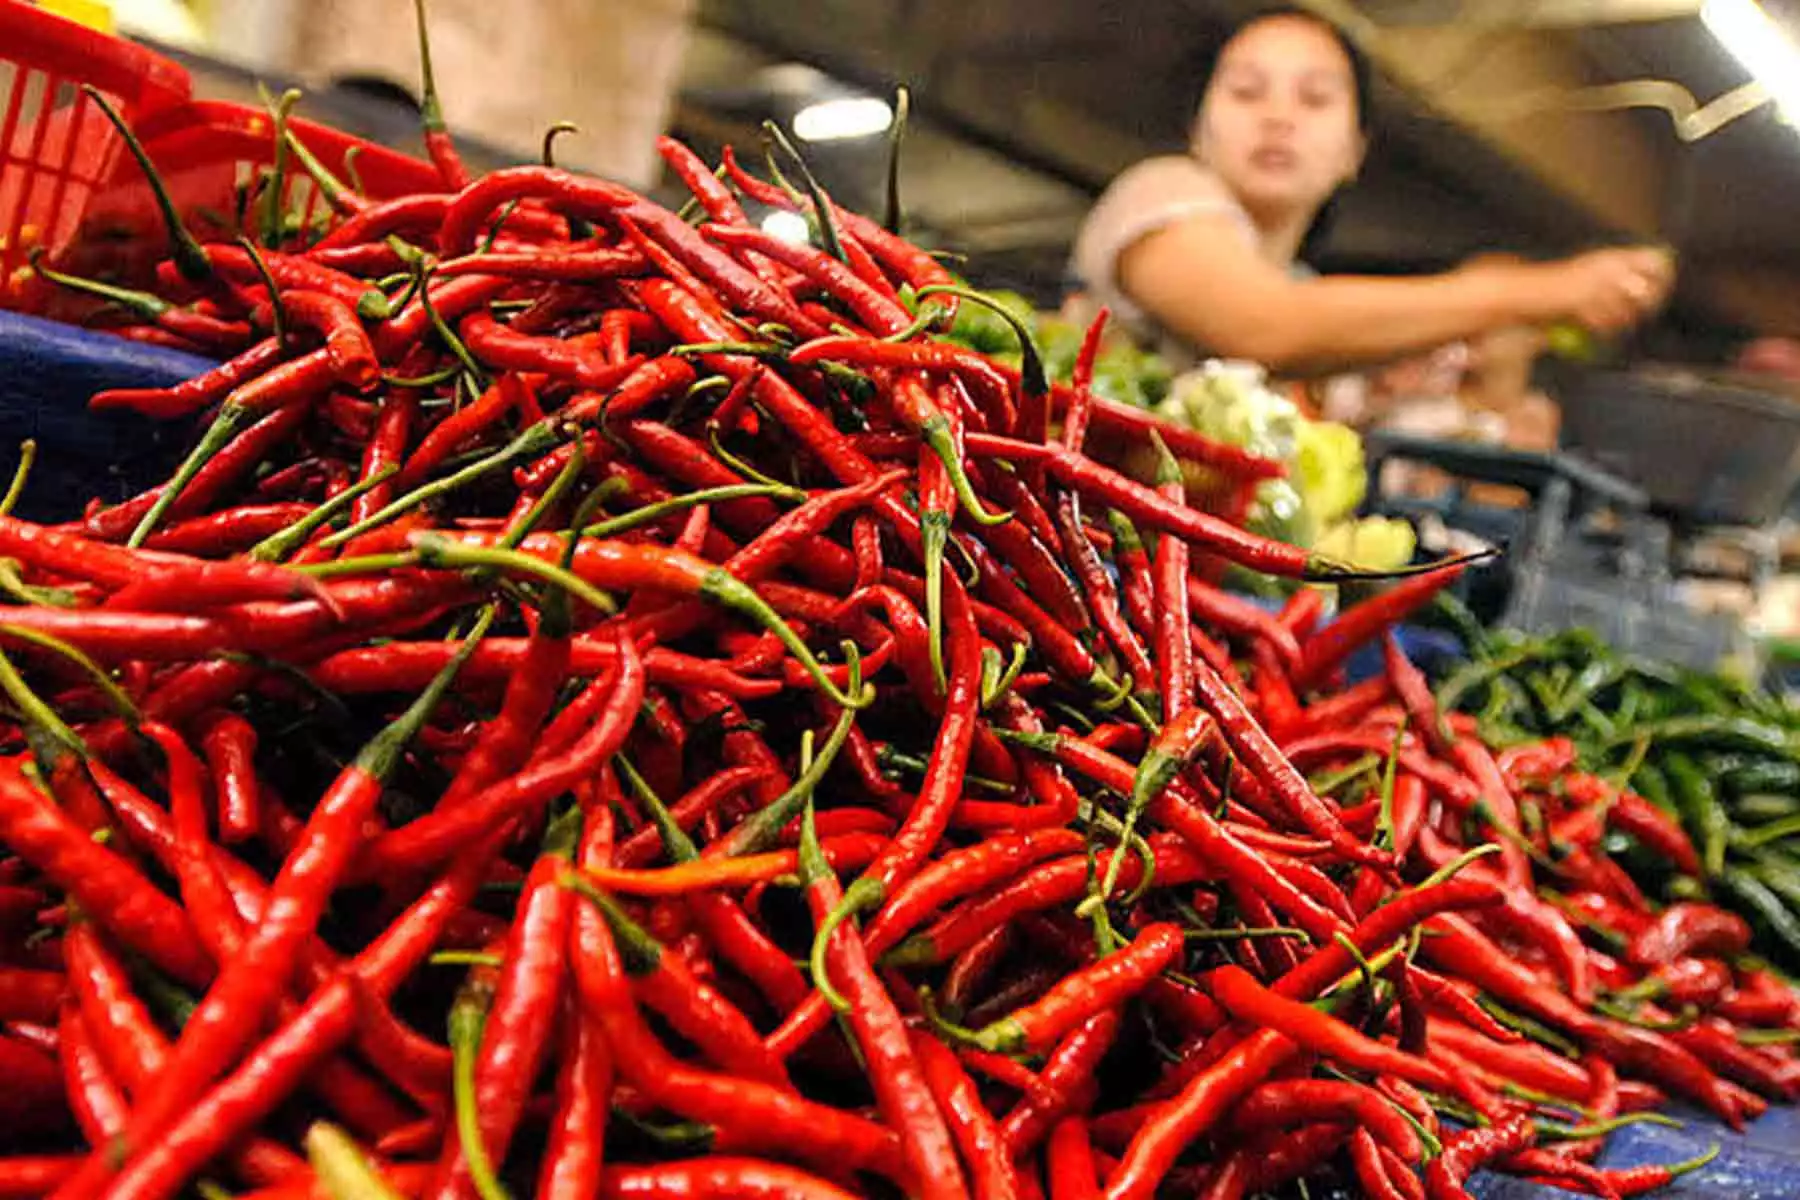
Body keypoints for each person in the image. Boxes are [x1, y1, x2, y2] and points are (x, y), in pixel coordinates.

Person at [1069, 6, 1674, 378]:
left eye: (1315, 98)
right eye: (1247, 91)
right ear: (1196, 132)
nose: (1278, 115)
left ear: (1354, 151)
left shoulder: (1306, 288)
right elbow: (1267, 326)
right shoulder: (1156, 193)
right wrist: (1540, 291)